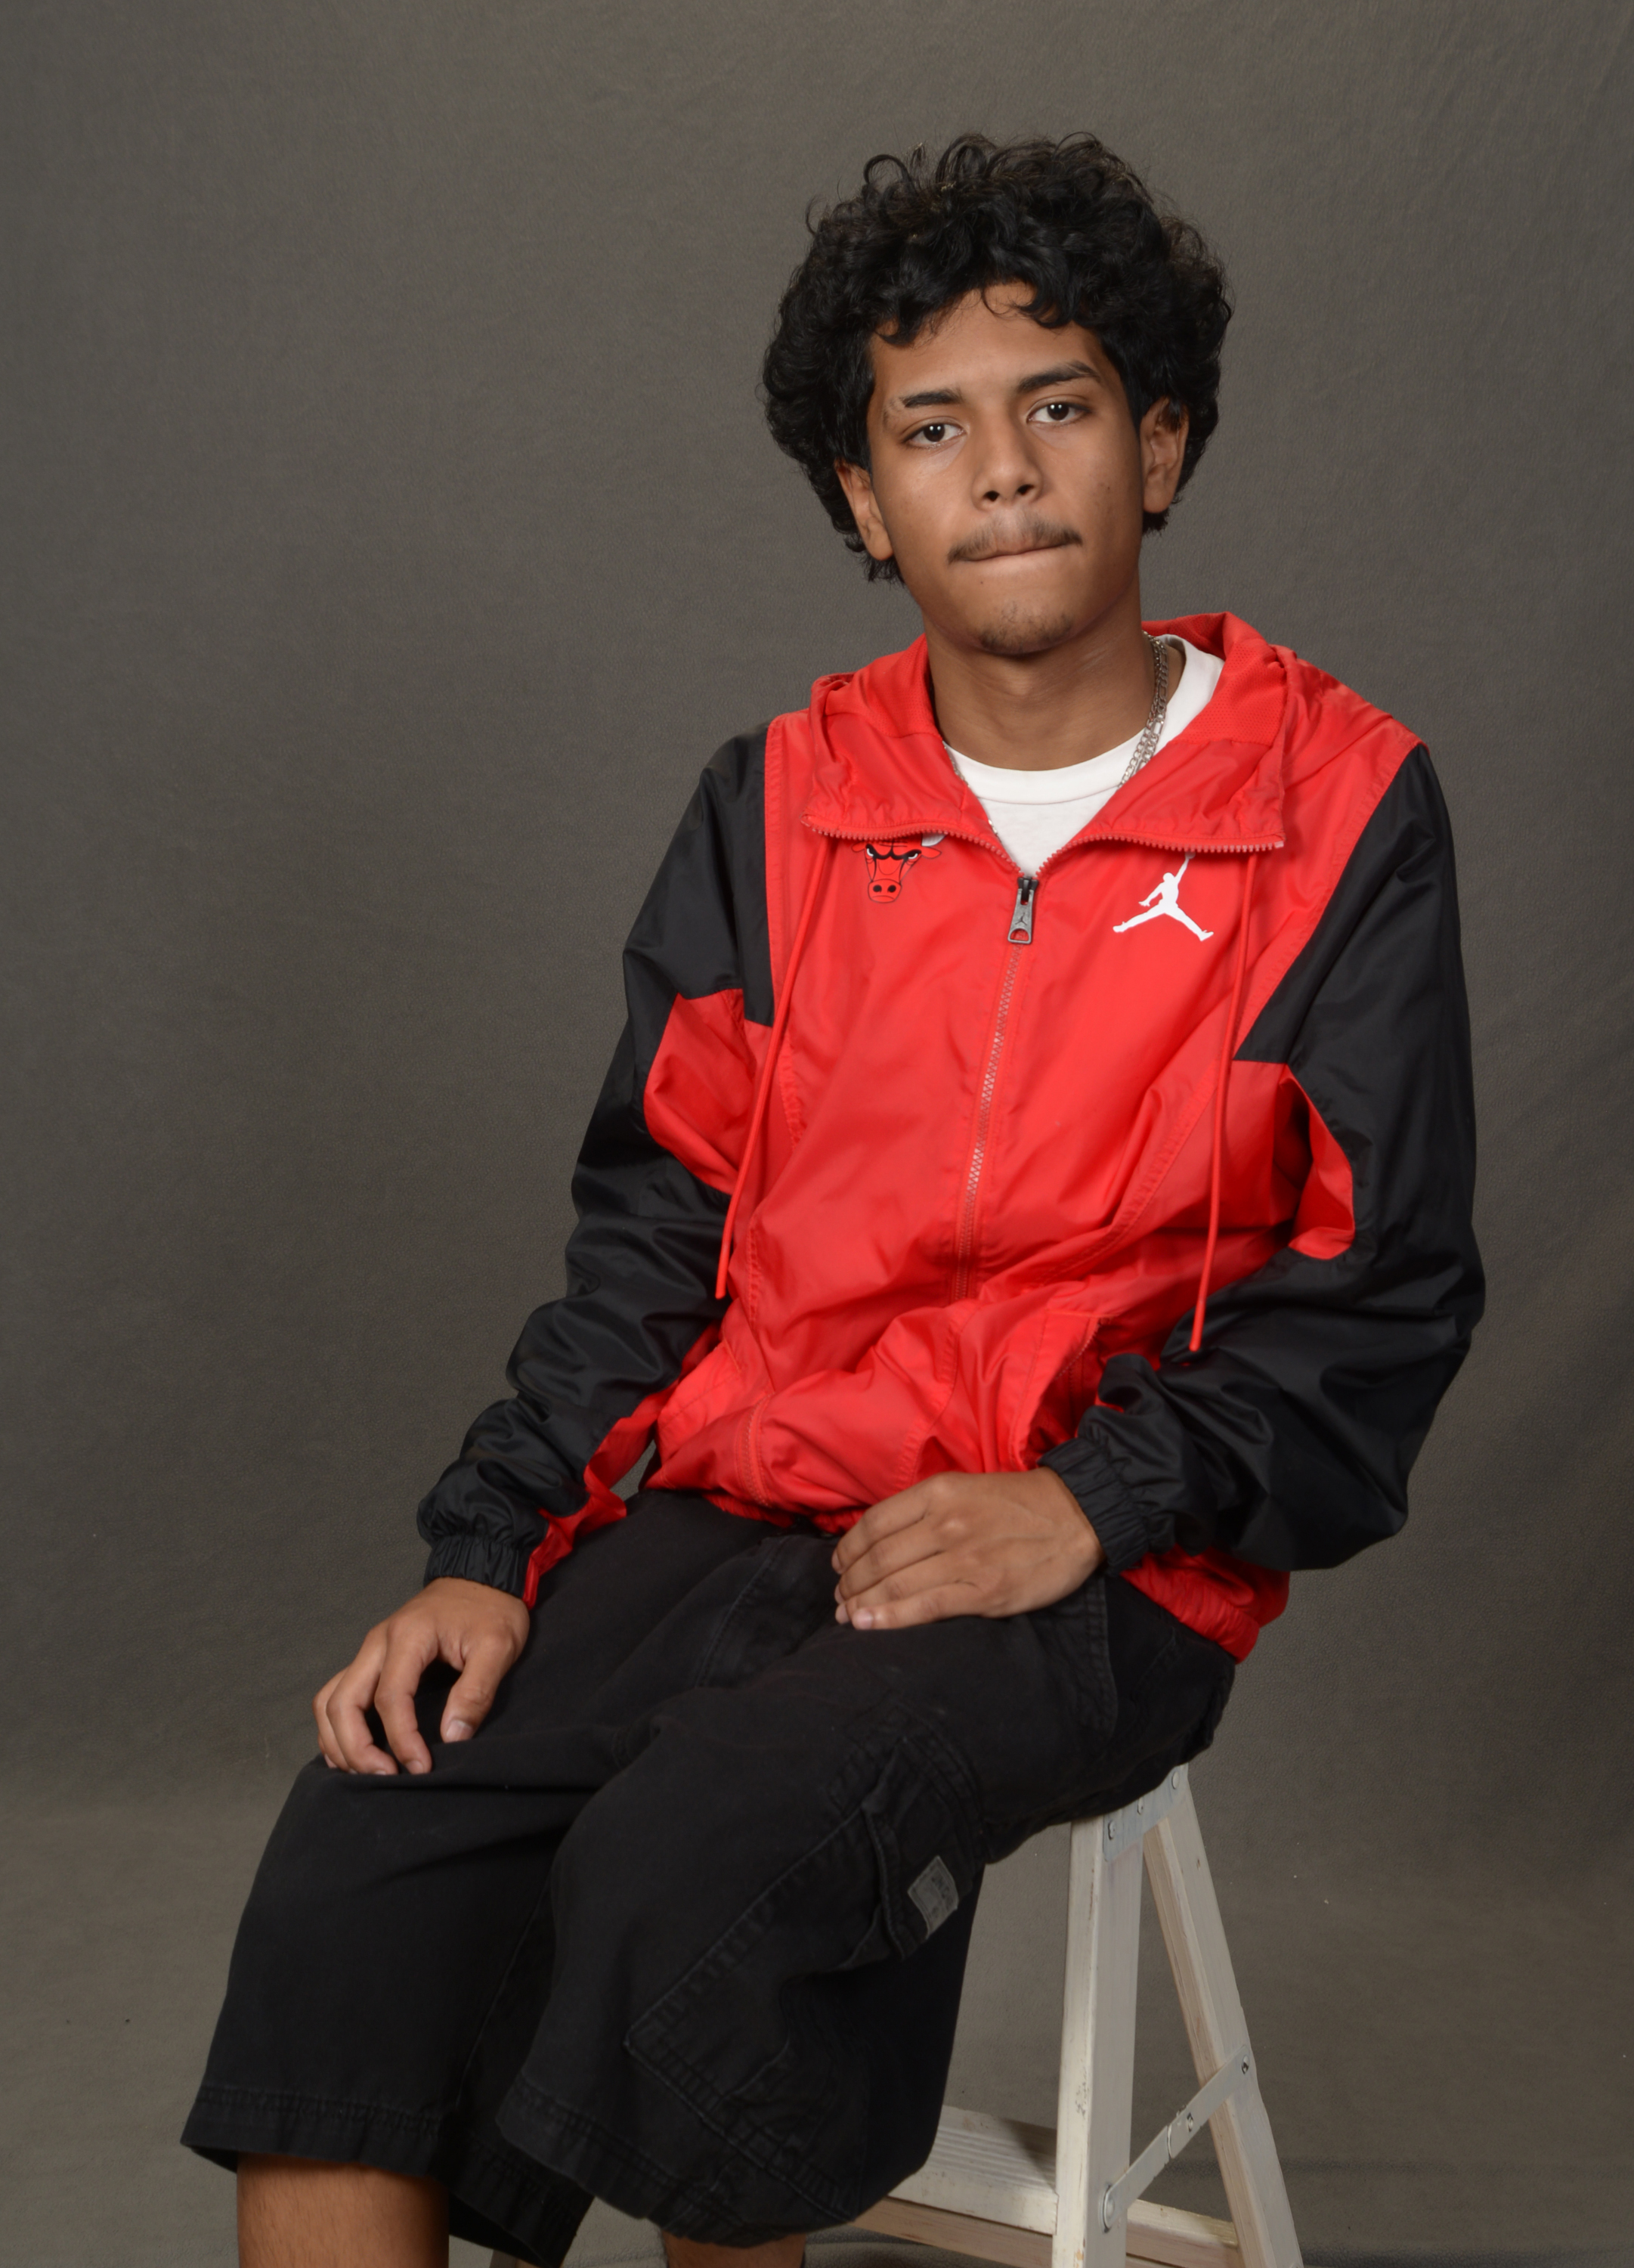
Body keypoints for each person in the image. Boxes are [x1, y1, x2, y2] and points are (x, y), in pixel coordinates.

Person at [183, 134, 1484, 2268]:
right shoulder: (777, 803)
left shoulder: (1337, 810)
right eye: (931, 428)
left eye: (1059, 405)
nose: (1004, 471)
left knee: (701, 1874)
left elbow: (1383, 1293)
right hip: (747, 1502)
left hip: (1099, 1563)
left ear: (1160, 446)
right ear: (865, 504)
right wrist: (489, 1552)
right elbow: (654, 1237)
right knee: (362, 1855)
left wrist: (1090, 1502)